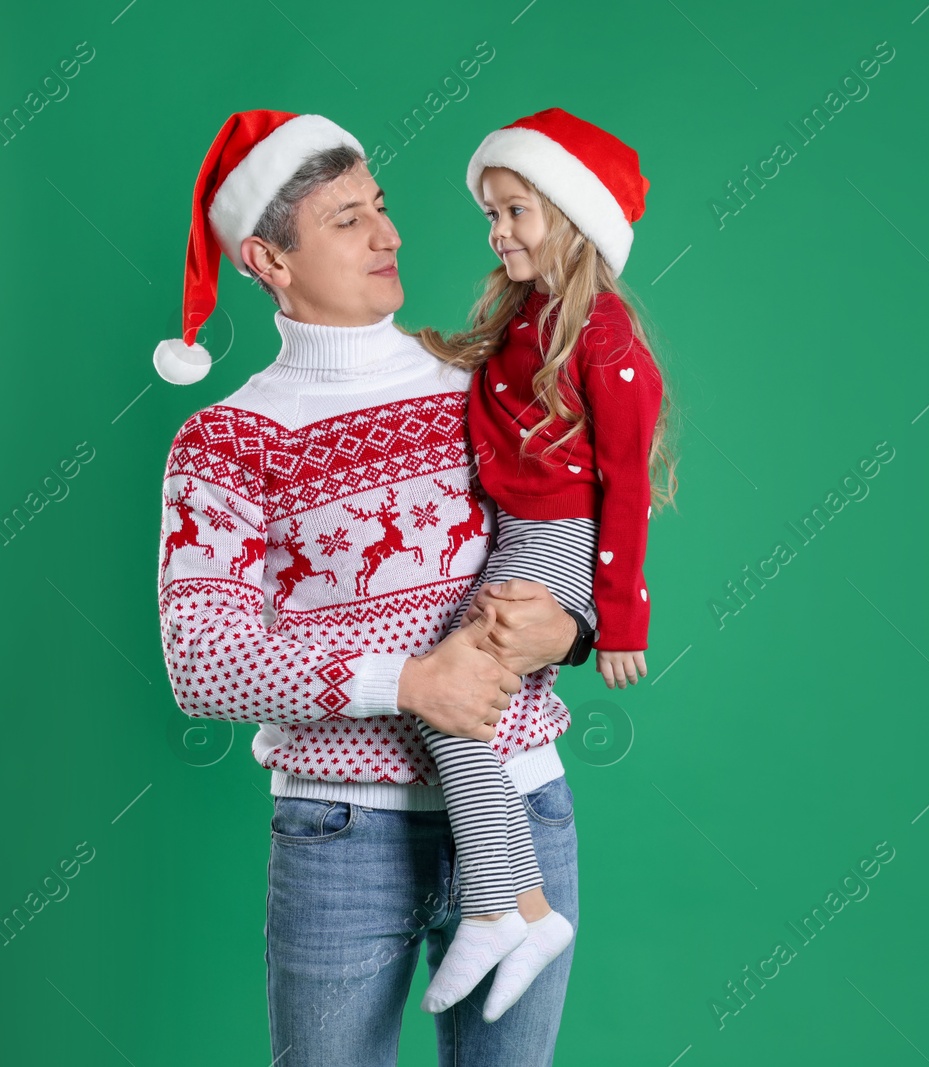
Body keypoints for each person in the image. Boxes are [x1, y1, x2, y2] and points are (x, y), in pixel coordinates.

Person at [153, 109, 592, 1066]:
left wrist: (566, 623)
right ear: (269, 259)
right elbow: (202, 663)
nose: (390, 234)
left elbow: (567, 533)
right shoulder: (227, 443)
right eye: (348, 219)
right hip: (340, 840)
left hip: (526, 810)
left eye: (382, 207)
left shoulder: (480, 380)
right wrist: (408, 682)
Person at [407, 108, 677, 1020]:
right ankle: (520, 907)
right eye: (491, 215)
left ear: (570, 217)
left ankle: (503, 905)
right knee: (455, 709)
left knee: (449, 697)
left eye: (517, 211)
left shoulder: (603, 337)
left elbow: (629, 486)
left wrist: (620, 619)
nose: (498, 231)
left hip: (555, 543)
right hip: (513, 532)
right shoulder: (530, 315)